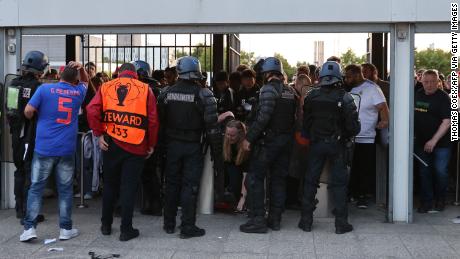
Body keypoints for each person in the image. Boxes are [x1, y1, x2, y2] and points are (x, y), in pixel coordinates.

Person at [86, 63, 159, 241]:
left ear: (119, 73)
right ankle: (126, 229)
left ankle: (106, 225)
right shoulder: (145, 89)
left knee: (110, 186)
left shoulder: (106, 86)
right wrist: (151, 144)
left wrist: (98, 133)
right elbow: (153, 120)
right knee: (129, 187)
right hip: (137, 145)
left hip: (111, 144)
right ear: (136, 75)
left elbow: (91, 109)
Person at [20, 61, 88, 242]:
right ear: (75, 80)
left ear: (59, 76)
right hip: (66, 149)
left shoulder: (44, 90)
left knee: (36, 188)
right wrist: (81, 69)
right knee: (65, 190)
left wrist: (35, 115)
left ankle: (29, 229)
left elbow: (28, 111)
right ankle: (65, 229)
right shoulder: (77, 92)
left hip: (44, 148)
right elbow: (86, 83)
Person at [158, 56, 219, 239]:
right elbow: (212, 128)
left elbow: (160, 124)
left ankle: (169, 224)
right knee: (189, 186)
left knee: (171, 185)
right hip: (193, 147)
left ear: (179, 72)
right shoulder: (204, 95)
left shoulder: (166, 93)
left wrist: (161, 149)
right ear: (197, 72)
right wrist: (217, 154)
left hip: (172, 146)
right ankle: (187, 226)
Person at [298, 61, 360, 234]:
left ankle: (306, 221)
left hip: (316, 144)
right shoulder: (345, 97)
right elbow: (354, 127)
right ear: (339, 77)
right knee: (339, 184)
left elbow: (306, 122)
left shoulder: (312, 96)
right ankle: (341, 224)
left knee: (310, 182)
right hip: (337, 145)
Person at [239, 57, 297, 233]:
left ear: (267, 74)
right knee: (278, 180)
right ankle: (275, 220)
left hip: (268, 142)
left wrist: (248, 138)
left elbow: (264, 117)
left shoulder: (268, 90)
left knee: (255, 179)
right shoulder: (290, 91)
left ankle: (258, 220)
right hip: (285, 142)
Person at [6, 51, 48, 225]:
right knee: (30, 172)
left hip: (16, 134)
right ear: (40, 69)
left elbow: (10, 110)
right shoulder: (39, 88)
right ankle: (28, 213)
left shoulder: (13, 84)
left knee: (19, 170)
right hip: (31, 135)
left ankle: (19, 209)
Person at [345, 64, 389, 209]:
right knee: (352, 167)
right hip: (350, 136)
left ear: (357, 75)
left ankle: (362, 196)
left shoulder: (372, 88)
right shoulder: (349, 89)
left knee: (364, 168)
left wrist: (384, 121)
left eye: (349, 76)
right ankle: (351, 193)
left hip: (366, 136)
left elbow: (382, 106)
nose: (347, 79)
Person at [414, 69, 452, 213]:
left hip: (441, 143)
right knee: (424, 172)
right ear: (421, 81)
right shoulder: (417, 95)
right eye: (426, 82)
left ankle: (440, 199)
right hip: (422, 142)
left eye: (432, 82)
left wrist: (433, 141)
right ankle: (426, 202)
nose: (429, 85)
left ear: (438, 82)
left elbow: (447, 122)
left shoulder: (443, 98)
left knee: (440, 171)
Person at [131, 60, 163, 216]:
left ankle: (152, 204)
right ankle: (154, 204)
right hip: (153, 136)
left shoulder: (142, 90)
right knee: (150, 174)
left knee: (141, 173)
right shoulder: (158, 89)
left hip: (141, 136)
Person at [223, 120, 250, 211]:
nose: (229, 137)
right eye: (227, 134)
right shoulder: (225, 142)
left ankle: (240, 199)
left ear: (240, 134)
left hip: (244, 171)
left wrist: (243, 198)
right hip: (231, 168)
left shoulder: (245, 147)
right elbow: (228, 113)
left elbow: (246, 173)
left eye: (232, 135)